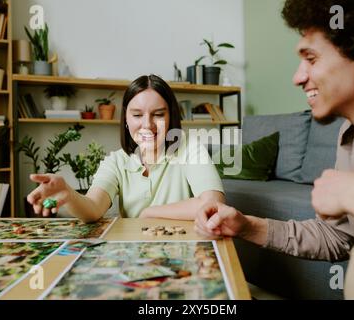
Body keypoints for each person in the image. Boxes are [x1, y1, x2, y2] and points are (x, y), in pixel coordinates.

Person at [195, 0, 354, 299]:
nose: (298, 77)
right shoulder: (350, 135)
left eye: (311, 58)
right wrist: (246, 226)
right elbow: (337, 237)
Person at [27, 74, 224, 221]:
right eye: (137, 115)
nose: (147, 124)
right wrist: (69, 194)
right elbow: (93, 208)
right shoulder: (116, 161)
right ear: (126, 120)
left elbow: (214, 205)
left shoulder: (190, 148)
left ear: (171, 116)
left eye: (158, 114)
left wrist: (149, 213)